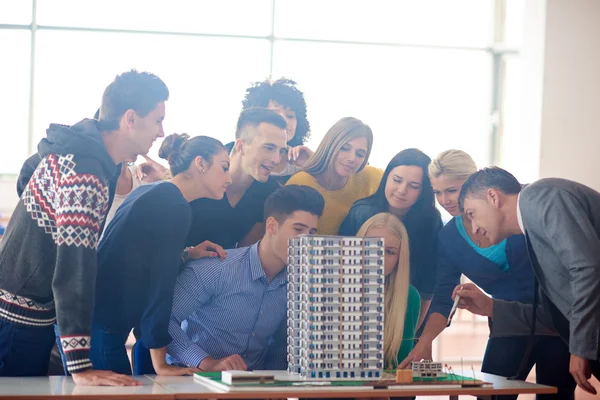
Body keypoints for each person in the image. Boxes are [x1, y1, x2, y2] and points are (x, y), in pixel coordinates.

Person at [0, 70, 168, 386]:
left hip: (25, 311)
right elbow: (73, 269)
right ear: (130, 118)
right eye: (157, 120)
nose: (161, 132)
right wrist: (80, 367)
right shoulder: (86, 174)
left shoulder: (82, 151)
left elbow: (27, 174)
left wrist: (33, 240)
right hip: (16, 319)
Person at [400, 151, 575, 399]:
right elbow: (443, 295)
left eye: (451, 190)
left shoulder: (519, 214)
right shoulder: (449, 237)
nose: (445, 200)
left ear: (473, 183)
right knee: (490, 396)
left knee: (557, 395)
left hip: (558, 321)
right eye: (437, 192)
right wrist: (425, 340)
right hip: (508, 324)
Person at [87, 133, 231, 376]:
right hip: (101, 327)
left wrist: (187, 255)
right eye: (224, 168)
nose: (229, 178)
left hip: (91, 321)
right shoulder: (175, 207)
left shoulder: (154, 191)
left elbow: (136, 261)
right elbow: (160, 288)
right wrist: (160, 363)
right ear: (200, 164)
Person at [454, 167, 600, 395]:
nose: (474, 228)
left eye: (471, 213)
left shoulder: (541, 196)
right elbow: (556, 317)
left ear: (493, 197)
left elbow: (588, 268)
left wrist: (580, 349)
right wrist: (491, 308)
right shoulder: (532, 231)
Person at [167, 185, 324, 371]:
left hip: (253, 386)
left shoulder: (298, 284)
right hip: (192, 379)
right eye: (298, 229)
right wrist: (206, 362)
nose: (305, 241)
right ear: (272, 226)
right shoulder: (216, 269)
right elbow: (164, 321)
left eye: (312, 233)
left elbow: (284, 344)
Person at [339, 149, 442, 325]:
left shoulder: (430, 220)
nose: (402, 190)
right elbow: (340, 266)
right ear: (386, 177)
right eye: (397, 180)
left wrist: (415, 332)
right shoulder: (361, 212)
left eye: (414, 186)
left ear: (424, 191)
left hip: (407, 309)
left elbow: (428, 282)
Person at [185, 107, 287, 249]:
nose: (276, 159)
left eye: (281, 151)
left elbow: (243, 255)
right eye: (269, 148)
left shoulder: (269, 192)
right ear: (241, 146)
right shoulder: (202, 170)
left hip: (225, 267)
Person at [286, 117, 382, 235]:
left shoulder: (370, 176)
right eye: (344, 148)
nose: (352, 158)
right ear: (331, 145)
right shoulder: (300, 183)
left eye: (360, 154)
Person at [357, 213, 420, 369]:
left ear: (399, 258)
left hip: (385, 388)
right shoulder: (329, 289)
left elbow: (400, 363)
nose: (379, 257)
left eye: (390, 252)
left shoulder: (409, 296)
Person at [240, 77, 313, 181]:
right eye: (274, 114)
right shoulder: (228, 155)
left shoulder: (302, 163)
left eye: (290, 116)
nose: (285, 122)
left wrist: (313, 165)